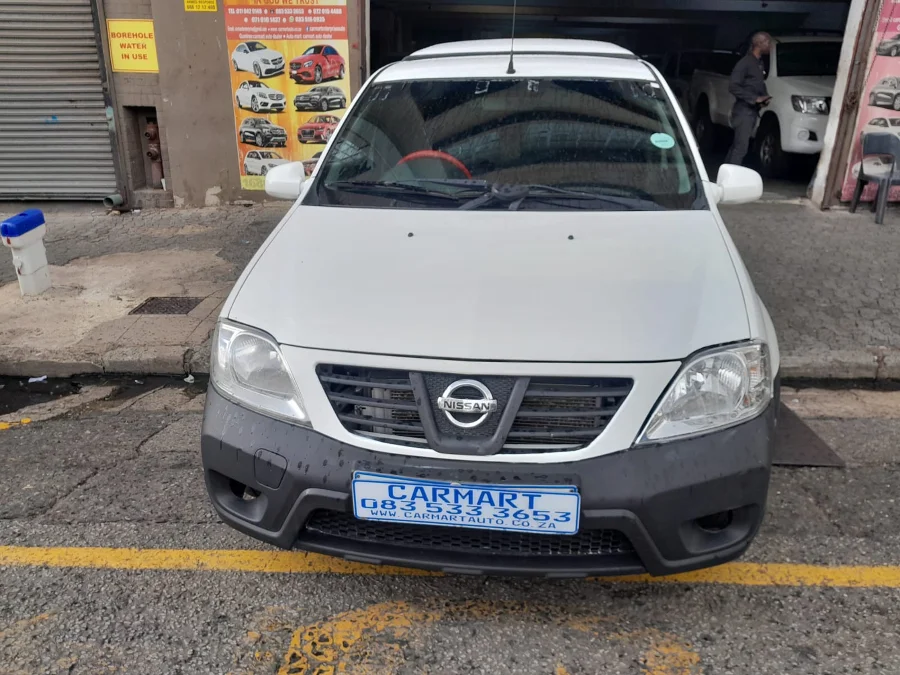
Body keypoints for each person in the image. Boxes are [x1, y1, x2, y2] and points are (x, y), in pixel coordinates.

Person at [725, 32, 772, 166]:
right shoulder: (745, 63)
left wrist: (764, 97)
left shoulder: (759, 63)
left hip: (751, 112)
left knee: (737, 146)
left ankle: (725, 173)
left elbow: (759, 84)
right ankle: (732, 179)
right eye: (767, 42)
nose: (770, 46)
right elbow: (733, 86)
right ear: (758, 44)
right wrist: (754, 99)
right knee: (741, 148)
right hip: (743, 111)